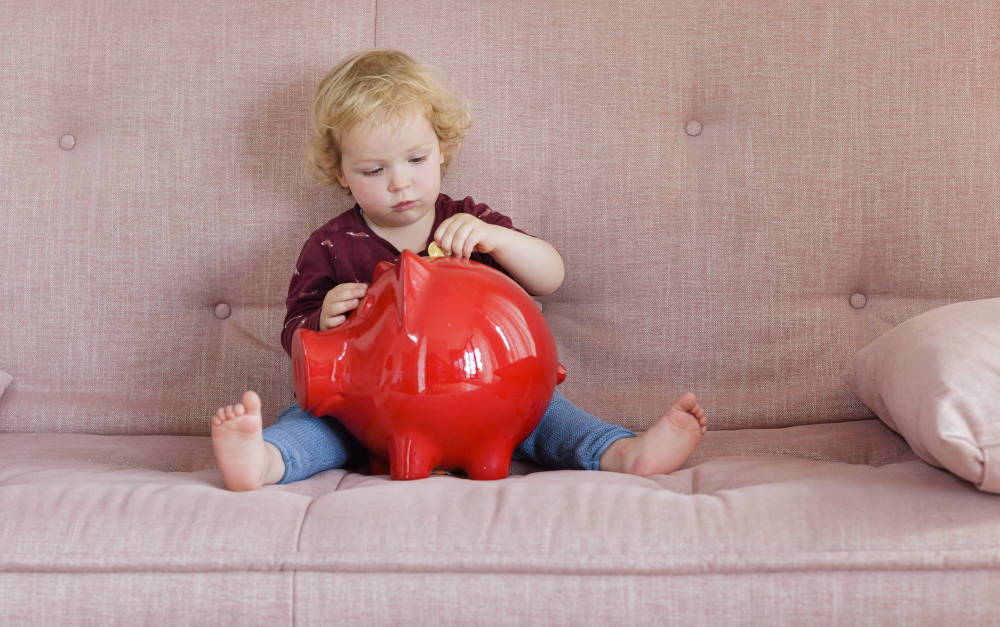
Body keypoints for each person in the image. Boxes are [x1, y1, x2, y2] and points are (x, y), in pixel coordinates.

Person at [210, 49, 706, 491]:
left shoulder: (467, 221)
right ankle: (265, 460)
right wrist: (319, 321)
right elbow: (295, 335)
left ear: (442, 148)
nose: (400, 183)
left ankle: (621, 452)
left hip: (487, 398)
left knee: (547, 415)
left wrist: (499, 240)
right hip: (368, 412)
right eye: (373, 170)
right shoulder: (331, 244)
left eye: (416, 159)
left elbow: (550, 276)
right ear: (341, 173)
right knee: (313, 421)